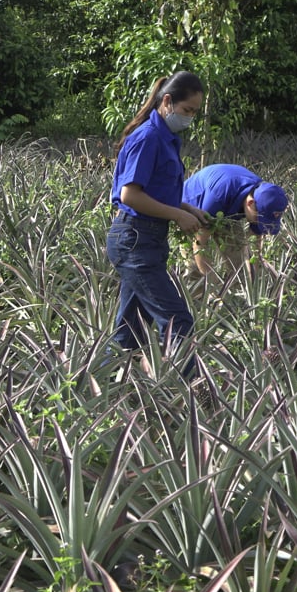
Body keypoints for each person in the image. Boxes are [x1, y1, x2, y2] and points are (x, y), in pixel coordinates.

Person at [106, 71, 208, 379]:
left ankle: (96, 390)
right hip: (135, 239)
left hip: (146, 240)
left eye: (194, 112)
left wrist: (185, 207)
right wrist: (177, 215)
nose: (190, 117)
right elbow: (130, 195)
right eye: (187, 110)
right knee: (178, 321)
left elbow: (154, 192)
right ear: (167, 101)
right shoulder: (149, 137)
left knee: (130, 331)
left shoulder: (165, 137)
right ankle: (190, 397)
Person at [182, 164, 289, 279]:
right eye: (260, 219)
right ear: (250, 203)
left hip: (227, 212)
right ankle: (197, 294)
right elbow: (200, 243)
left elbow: (255, 243)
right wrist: (212, 287)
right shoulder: (218, 196)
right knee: (195, 270)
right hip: (191, 207)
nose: (260, 223)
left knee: (240, 264)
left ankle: (237, 292)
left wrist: (254, 280)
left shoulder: (262, 197)